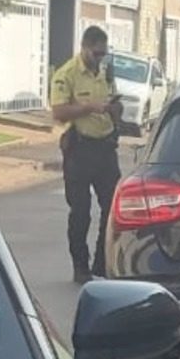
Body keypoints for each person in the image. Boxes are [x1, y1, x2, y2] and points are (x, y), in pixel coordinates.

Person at [51, 26, 123, 284]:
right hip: (80, 150)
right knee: (80, 211)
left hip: (105, 148)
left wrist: (115, 110)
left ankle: (101, 264)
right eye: (96, 53)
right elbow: (58, 112)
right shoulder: (66, 74)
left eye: (103, 54)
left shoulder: (105, 71)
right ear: (84, 48)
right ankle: (80, 267)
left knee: (112, 209)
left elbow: (112, 101)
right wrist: (89, 107)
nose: (100, 58)